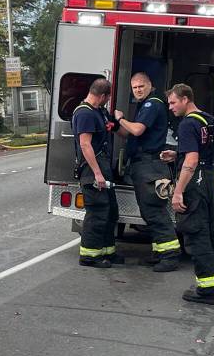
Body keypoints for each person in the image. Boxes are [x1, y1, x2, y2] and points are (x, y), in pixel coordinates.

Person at [162, 84, 214, 304]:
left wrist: (178, 192)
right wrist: (178, 153)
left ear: (186, 99)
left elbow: (192, 159)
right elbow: (200, 149)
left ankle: (207, 290)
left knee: (197, 236)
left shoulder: (187, 125)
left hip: (195, 183)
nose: (171, 107)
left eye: (173, 102)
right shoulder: (209, 120)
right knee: (213, 235)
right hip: (210, 179)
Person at [114, 73, 181, 272]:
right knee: (148, 212)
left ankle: (170, 256)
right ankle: (159, 252)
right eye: (134, 88)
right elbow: (128, 132)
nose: (138, 90)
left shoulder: (153, 104)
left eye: (141, 86)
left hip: (151, 166)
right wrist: (115, 126)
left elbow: (137, 130)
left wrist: (121, 118)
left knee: (154, 211)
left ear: (151, 85)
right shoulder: (145, 106)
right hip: (143, 165)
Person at [72, 77, 123, 268]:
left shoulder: (98, 111)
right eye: (107, 98)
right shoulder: (85, 113)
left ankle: (107, 251)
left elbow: (109, 125)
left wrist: (115, 122)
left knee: (110, 212)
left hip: (103, 168)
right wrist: (97, 174)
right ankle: (89, 256)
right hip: (92, 170)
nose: (107, 102)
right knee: (97, 213)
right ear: (102, 96)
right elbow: (85, 145)